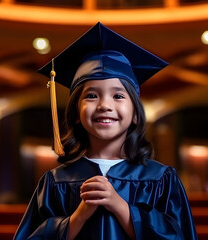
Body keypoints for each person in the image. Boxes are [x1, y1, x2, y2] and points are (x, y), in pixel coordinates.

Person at [14, 22, 197, 240]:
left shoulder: (160, 179)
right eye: (91, 96)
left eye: (118, 96)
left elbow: (179, 236)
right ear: (75, 114)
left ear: (136, 114)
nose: (104, 105)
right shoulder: (55, 183)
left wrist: (120, 206)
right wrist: (78, 217)